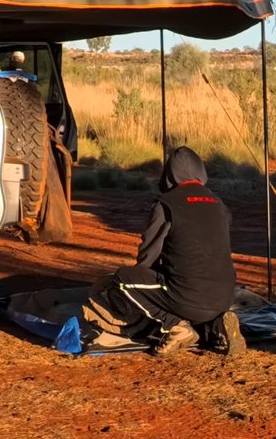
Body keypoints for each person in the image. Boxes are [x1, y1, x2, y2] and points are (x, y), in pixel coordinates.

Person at [80, 146, 245, 356]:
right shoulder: (219, 203)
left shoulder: (167, 203)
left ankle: (176, 325)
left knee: (123, 279)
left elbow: (149, 253)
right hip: (225, 296)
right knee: (192, 293)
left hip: (186, 297)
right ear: (201, 171)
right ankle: (216, 325)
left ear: (169, 175)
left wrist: (146, 284)